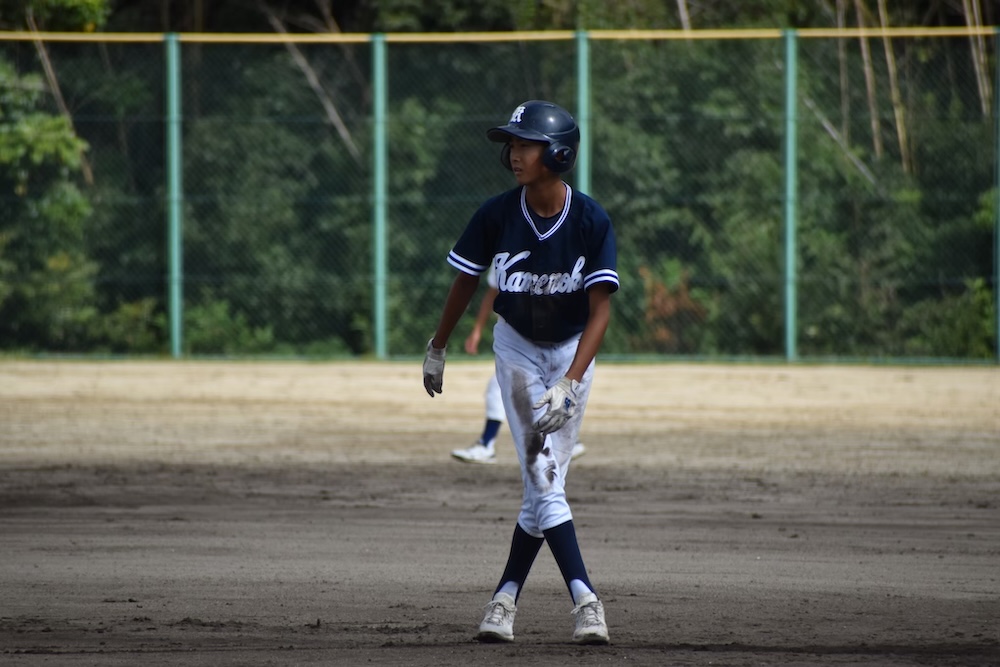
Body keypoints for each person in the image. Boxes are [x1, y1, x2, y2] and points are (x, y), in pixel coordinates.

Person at [422, 100, 618, 645]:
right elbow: (465, 281)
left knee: (544, 489)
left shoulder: (591, 220)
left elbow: (600, 313)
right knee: (544, 480)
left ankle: (504, 599)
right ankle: (587, 602)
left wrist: (570, 381)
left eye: (526, 144)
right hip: (517, 352)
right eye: (512, 144)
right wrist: (438, 345)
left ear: (559, 154)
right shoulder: (497, 215)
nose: (513, 153)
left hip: (573, 355)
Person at [451, 265, 587, 465]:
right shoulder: (503, 252)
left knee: (502, 388)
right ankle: (567, 441)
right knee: (532, 391)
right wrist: (477, 329)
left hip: (549, 338)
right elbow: (492, 292)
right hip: (521, 338)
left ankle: (487, 443)